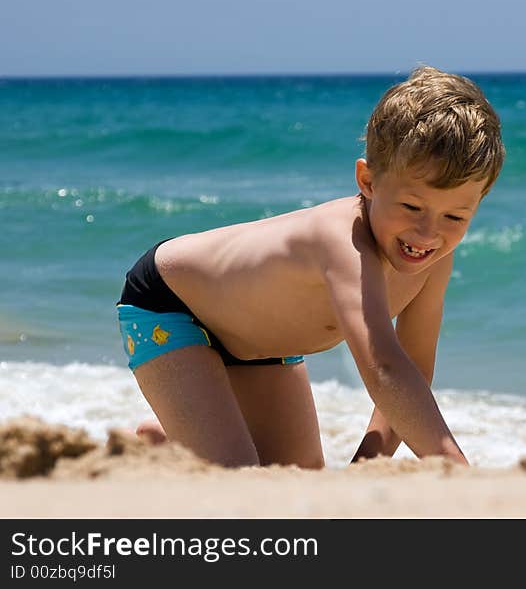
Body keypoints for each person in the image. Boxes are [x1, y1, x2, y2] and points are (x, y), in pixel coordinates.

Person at [115, 66, 505, 469]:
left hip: (266, 345)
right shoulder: (343, 242)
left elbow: (413, 374)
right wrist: (457, 470)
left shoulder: (433, 258)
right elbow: (384, 368)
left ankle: (165, 443)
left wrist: (364, 466)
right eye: (411, 207)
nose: (427, 233)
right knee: (242, 488)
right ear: (367, 181)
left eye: (454, 218)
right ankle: (148, 453)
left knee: (296, 484)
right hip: (173, 306)